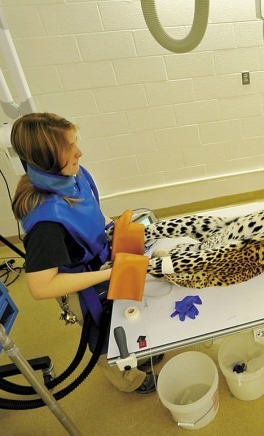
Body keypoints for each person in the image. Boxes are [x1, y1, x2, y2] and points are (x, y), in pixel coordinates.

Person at [10, 112, 159, 393]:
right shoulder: (46, 220)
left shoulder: (74, 176)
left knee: (128, 315)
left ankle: (142, 350)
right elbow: (41, 287)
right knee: (105, 337)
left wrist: (113, 230)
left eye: (75, 143)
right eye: (69, 149)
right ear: (47, 158)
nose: (79, 152)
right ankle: (131, 380)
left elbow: (91, 212)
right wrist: (111, 273)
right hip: (79, 286)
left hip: (101, 262)